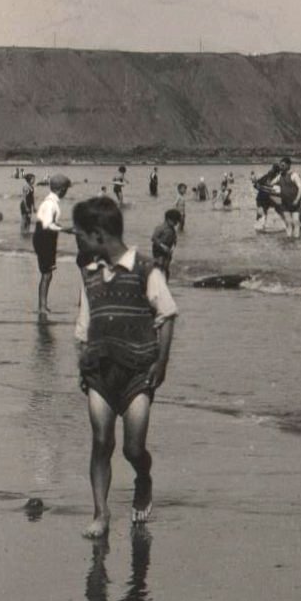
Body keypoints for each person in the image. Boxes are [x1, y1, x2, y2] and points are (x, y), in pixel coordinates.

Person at [71, 196, 178, 538]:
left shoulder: (146, 270)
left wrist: (161, 364)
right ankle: (101, 514)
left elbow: (167, 316)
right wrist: (83, 356)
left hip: (137, 372)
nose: (78, 243)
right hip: (100, 372)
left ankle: (143, 476)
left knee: (133, 447)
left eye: (81, 236)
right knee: (101, 441)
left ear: (99, 235)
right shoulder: (88, 276)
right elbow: (84, 322)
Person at [34, 174, 72, 317]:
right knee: (47, 273)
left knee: (47, 273)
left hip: (44, 237)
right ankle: (42, 306)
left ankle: (42, 305)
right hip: (45, 238)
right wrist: (66, 230)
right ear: (62, 190)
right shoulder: (50, 204)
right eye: (66, 189)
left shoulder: (50, 201)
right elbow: (47, 225)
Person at [274, 157, 301, 239]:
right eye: (280, 165)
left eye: (283, 165)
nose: (281, 167)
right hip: (285, 202)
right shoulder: (280, 176)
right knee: (288, 222)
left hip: (294, 202)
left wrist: (297, 200)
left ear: (288, 165)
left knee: (296, 221)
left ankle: (296, 238)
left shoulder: (294, 175)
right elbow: (271, 183)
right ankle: (289, 237)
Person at [150, 208, 181, 274]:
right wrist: (163, 246)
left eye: (177, 222)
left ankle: (165, 281)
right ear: (168, 219)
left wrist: (173, 247)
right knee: (159, 265)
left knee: (166, 268)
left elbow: (174, 239)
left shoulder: (172, 229)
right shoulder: (161, 228)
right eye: (175, 221)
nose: (176, 223)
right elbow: (153, 238)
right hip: (158, 250)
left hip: (168, 251)